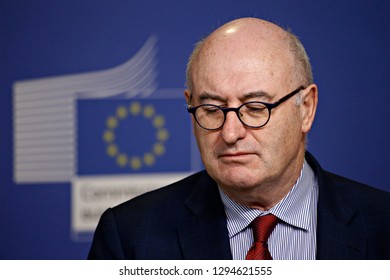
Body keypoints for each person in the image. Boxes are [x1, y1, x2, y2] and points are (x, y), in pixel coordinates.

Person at [88, 17, 390, 260]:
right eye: (211, 109)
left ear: (306, 109)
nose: (230, 133)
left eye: (257, 108)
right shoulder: (131, 237)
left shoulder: (381, 225)